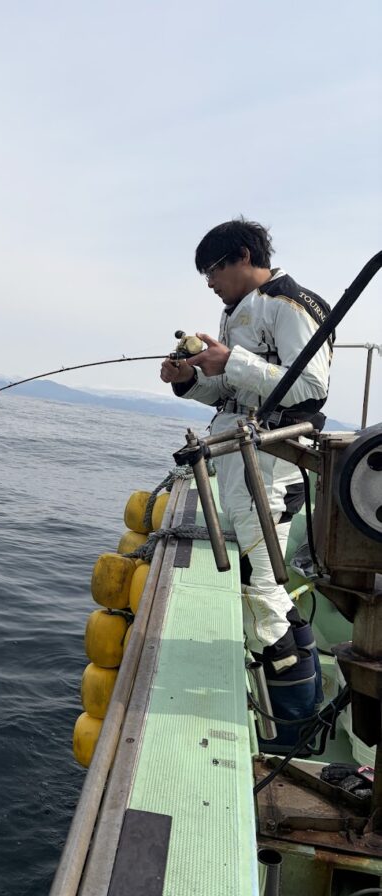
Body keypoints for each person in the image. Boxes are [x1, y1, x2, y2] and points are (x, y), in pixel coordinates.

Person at [160, 217, 331, 748]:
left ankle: (293, 736)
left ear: (241, 255)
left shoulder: (290, 304)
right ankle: (296, 715)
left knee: (263, 597)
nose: (209, 282)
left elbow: (309, 389)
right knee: (265, 590)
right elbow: (236, 396)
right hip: (240, 463)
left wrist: (231, 360)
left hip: (270, 472)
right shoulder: (239, 312)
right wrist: (193, 379)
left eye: (212, 270)